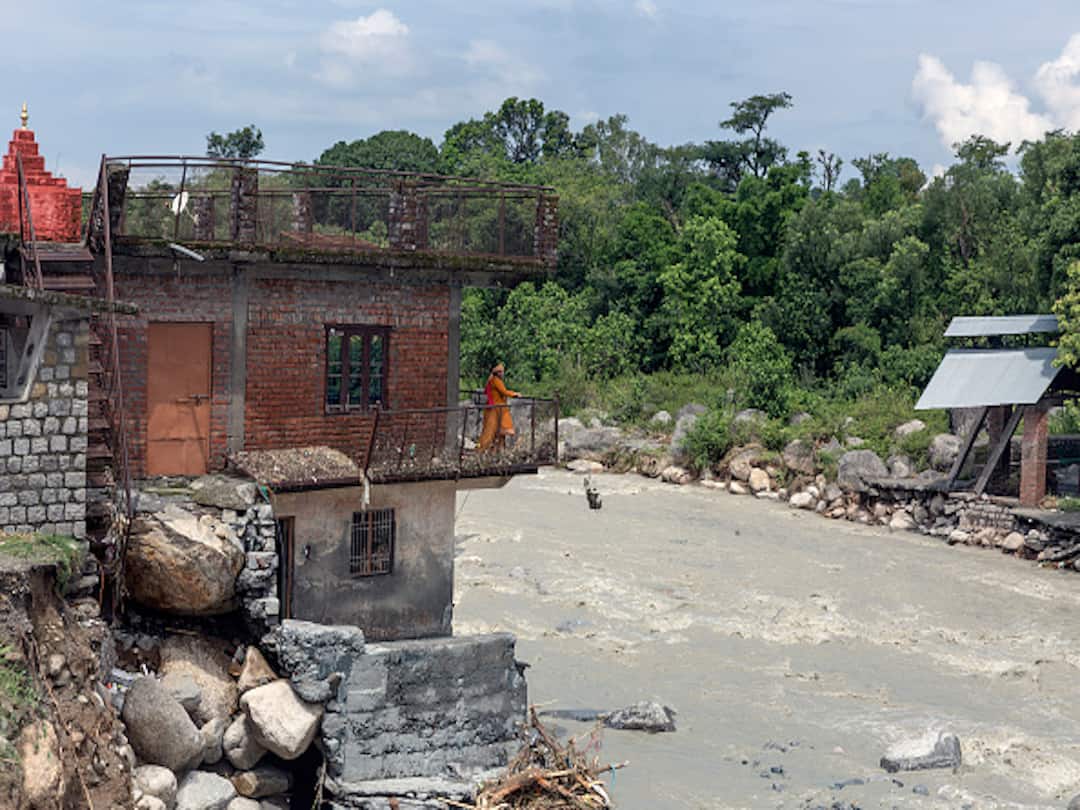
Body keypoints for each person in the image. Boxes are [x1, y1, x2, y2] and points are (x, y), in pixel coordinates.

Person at [477, 363, 521, 451]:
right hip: (495, 409)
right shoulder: (496, 380)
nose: (503, 373)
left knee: (499, 431)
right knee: (490, 431)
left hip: (497, 408)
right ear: (498, 373)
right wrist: (514, 394)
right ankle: (482, 449)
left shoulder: (493, 380)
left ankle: (497, 449)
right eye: (501, 372)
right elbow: (504, 391)